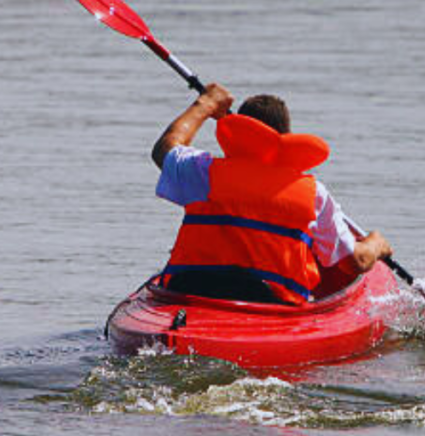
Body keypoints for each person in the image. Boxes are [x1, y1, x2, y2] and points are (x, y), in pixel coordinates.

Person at [151, 83, 393, 304]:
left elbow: (166, 148)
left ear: (237, 132)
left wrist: (205, 104)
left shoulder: (204, 172)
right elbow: (356, 262)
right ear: (285, 139)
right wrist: (376, 244)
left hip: (189, 292)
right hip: (268, 304)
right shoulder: (312, 193)